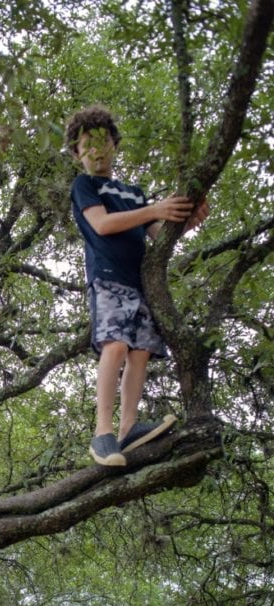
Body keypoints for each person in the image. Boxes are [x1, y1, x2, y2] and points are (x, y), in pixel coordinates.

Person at [65, 104, 209, 467]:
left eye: (103, 143)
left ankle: (128, 428)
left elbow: (159, 235)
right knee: (114, 346)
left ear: (114, 145)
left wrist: (186, 220)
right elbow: (102, 225)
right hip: (109, 277)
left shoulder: (134, 192)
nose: (96, 151)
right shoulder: (85, 185)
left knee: (140, 352)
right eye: (87, 146)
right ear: (77, 154)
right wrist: (156, 210)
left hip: (140, 282)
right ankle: (102, 432)